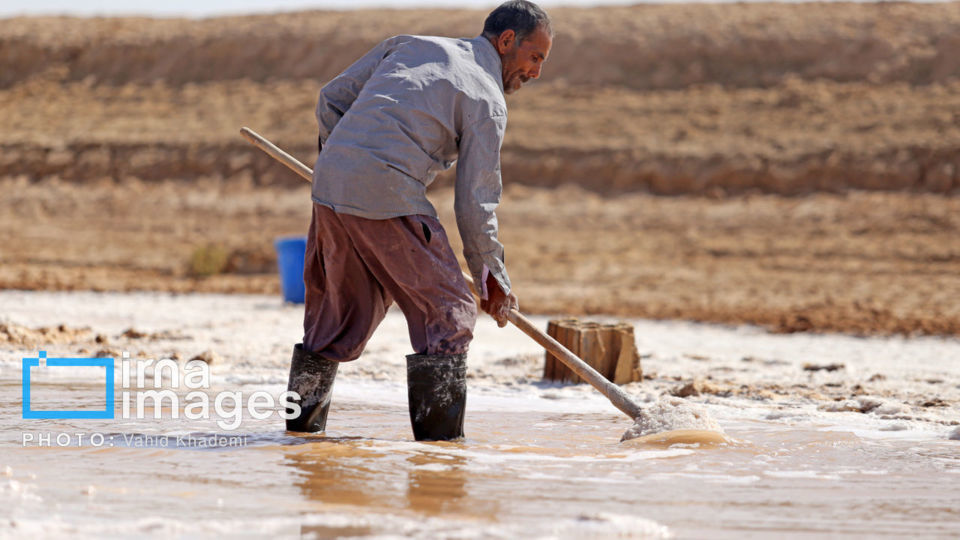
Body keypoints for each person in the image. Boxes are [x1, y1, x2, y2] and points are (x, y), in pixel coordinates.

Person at [285, 0, 553, 441]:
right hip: (386, 192)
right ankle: (441, 463)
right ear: (507, 42)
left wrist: (344, 165)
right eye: (535, 57)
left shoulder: (411, 45)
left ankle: (299, 440)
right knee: (450, 315)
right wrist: (492, 277)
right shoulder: (487, 99)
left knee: (333, 319)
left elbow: (331, 98)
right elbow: (475, 205)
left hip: (329, 186)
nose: (536, 72)